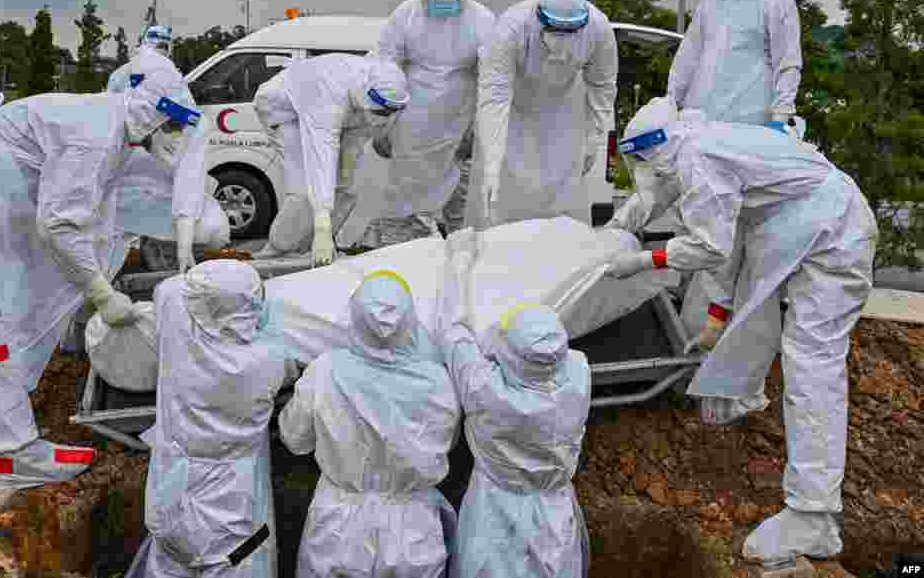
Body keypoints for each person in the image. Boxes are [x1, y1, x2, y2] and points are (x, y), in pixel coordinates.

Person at [604, 97, 877, 563]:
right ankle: (813, 511)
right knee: (802, 355)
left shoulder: (698, 159)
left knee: (812, 362)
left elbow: (710, 246)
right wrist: (715, 315)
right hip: (817, 227)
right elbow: (727, 243)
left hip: (833, 236)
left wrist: (646, 259)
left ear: (655, 150)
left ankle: (813, 516)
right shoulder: (706, 145)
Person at [0, 63, 203, 489]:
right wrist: (103, 294)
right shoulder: (97, 137)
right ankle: (11, 454)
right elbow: (59, 225)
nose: (176, 136)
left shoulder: (113, 130)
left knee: (10, 304)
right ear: (154, 113)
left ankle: (10, 420)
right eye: (176, 125)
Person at [663, 0, 803, 388]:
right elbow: (689, 56)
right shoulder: (713, 2)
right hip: (706, 125)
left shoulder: (776, 2)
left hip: (749, 132)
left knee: (743, 239)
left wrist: (780, 120)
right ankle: (693, 332)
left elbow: (788, 64)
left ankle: (738, 354)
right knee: (702, 223)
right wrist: (672, 103)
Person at [278, 270, 461, 578]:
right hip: (412, 530)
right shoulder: (438, 382)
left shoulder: (324, 371)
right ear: (410, 322)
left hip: (338, 528)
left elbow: (295, 440)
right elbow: (446, 443)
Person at [437, 227, 592, 578]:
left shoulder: (485, 388)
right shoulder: (579, 377)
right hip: (554, 509)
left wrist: (459, 261)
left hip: (494, 506)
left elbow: (452, 330)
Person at [140, 260, 299, 578]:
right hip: (230, 508)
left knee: (169, 564)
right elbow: (291, 369)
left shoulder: (174, 316)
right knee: (235, 560)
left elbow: (173, 288)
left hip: (170, 488)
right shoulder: (264, 360)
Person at [361, 0, 495, 245]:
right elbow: (384, 66)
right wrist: (381, 128)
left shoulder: (482, 21)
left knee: (460, 203)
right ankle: (401, 258)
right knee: (403, 202)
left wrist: (478, 129)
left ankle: (461, 264)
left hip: (459, 126)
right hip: (411, 125)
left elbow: (491, 79)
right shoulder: (405, 15)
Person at [468, 0, 618, 229]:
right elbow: (494, 97)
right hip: (512, 114)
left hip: (564, 113)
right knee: (501, 200)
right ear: (540, 16)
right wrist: (491, 163)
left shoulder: (599, 28)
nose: (561, 38)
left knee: (561, 202)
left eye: (569, 31)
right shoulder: (511, 26)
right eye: (555, 29)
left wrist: (595, 139)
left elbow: (602, 88)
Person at [252, 54, 410, 266]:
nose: (383, 116)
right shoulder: (328, 91)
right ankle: (278, 249)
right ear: (367, 95)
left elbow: (373, 121)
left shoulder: (387, 82)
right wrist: (322, 227)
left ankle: (317, 248)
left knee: (348, 188)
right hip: (285, 110)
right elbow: (321, 155)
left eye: (388, 112)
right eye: (381, 111)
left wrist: (385, 133)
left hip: (350, 114)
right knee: (304, 191)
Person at [108, 42, 227, 274]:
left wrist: (184, 245)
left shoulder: (190, 123)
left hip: (150, 191)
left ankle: (160, 250)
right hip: (112, 196)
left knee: (214, 229)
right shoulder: (114, 113)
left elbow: (188, 180)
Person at [107, 25, 174, 93]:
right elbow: (111, 100)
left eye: (165, 47)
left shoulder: (173, 76)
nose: (162, 52)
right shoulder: (121, 74)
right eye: (160, 46)